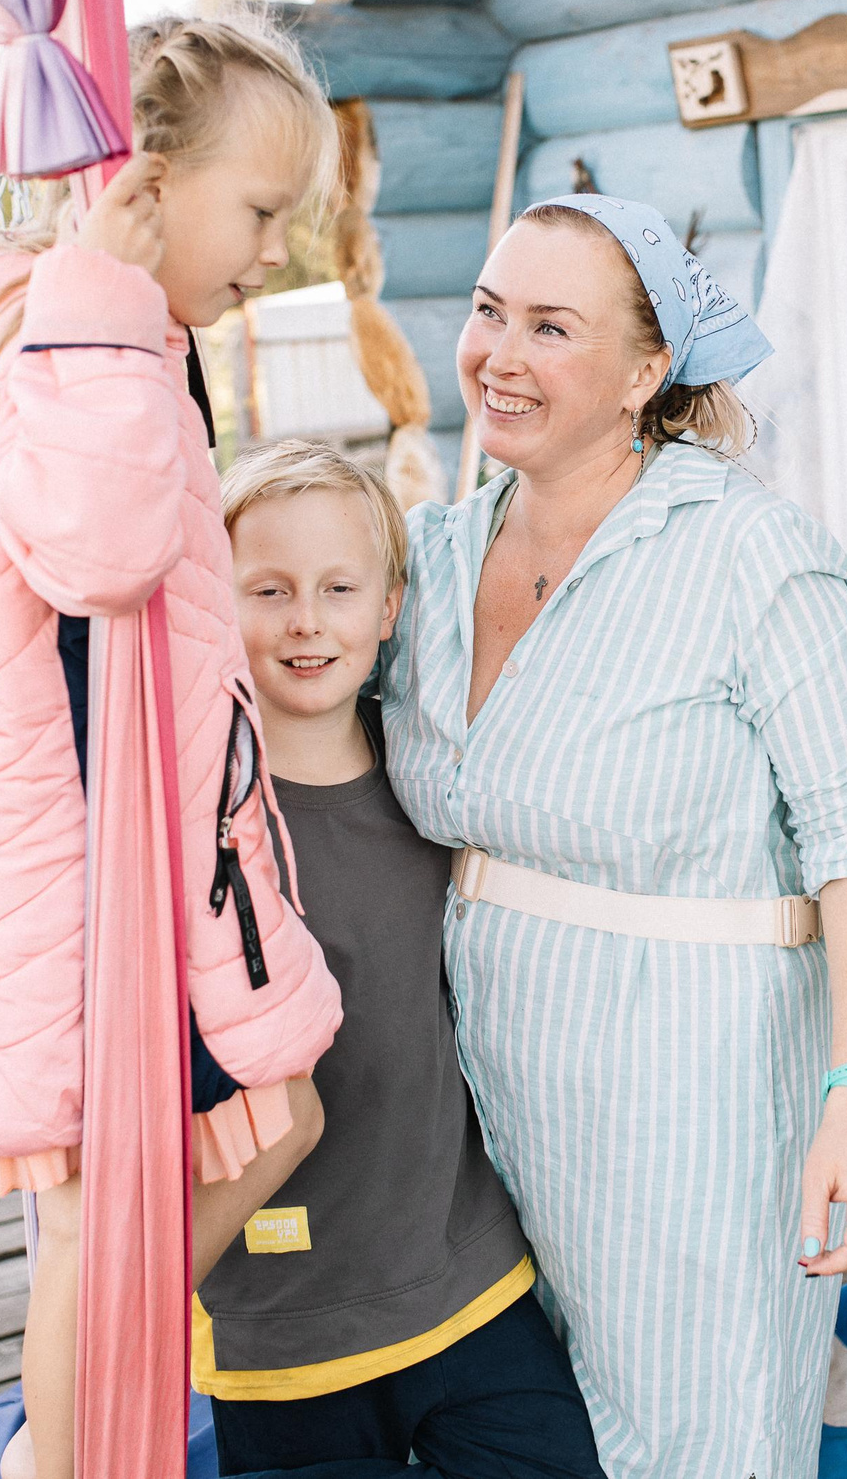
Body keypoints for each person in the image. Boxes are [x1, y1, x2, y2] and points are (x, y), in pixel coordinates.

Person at [0, 7, 348, 1479]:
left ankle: (86, 1400)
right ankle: (58, 1454)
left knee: (227, 1147)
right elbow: (103, 550)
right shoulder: (80, 334)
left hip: (138, 840)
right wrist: (106, 299)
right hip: (89, 871)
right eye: (258, 209)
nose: (276, 248)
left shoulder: (94, 330)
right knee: (100, 1231)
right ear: (144, 184)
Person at [381, 195, 847, 1478]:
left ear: (644, 373)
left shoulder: (755, 556)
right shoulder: (433, 556)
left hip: (697, 1095)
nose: (499, 355)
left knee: (698, 1442)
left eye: (551, 327)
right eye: (487, 310)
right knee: (533, 1437)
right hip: (480, 1095)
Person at [183, 437, 604, 1477]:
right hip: (277, 1326)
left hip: (465, 1280)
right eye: (267, 589)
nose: (304, 620)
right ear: (213, 606)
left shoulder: (439, 782)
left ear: (387, 608)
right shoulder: (191, 826)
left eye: (337, 587)